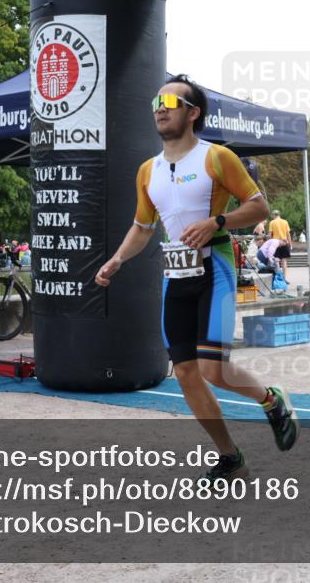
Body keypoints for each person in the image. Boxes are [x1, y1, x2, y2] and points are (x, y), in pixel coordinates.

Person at [95, 74, 298, 483]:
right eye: (157, 99)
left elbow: (259, 208)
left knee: (213, 370)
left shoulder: (216, 157)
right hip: (176, 275)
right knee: (186, 373)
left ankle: (271, 400)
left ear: (193, 113)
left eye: (171, 100)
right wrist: (117, 259)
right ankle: (231, 457)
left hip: (215, 267)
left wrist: (216, 221)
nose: (161, 105)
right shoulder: (146, 171)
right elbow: (142, 226)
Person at [268, 211, 292, 278]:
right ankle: (284, 278)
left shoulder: (272, 222)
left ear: (274, 215)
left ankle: (278, 277)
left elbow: (270, 235)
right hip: (284, 243)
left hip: (276, 243)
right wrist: (290, 244)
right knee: (284, 261)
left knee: (276, 260)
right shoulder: (285, 222)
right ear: (279, 215)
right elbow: (288, 235)